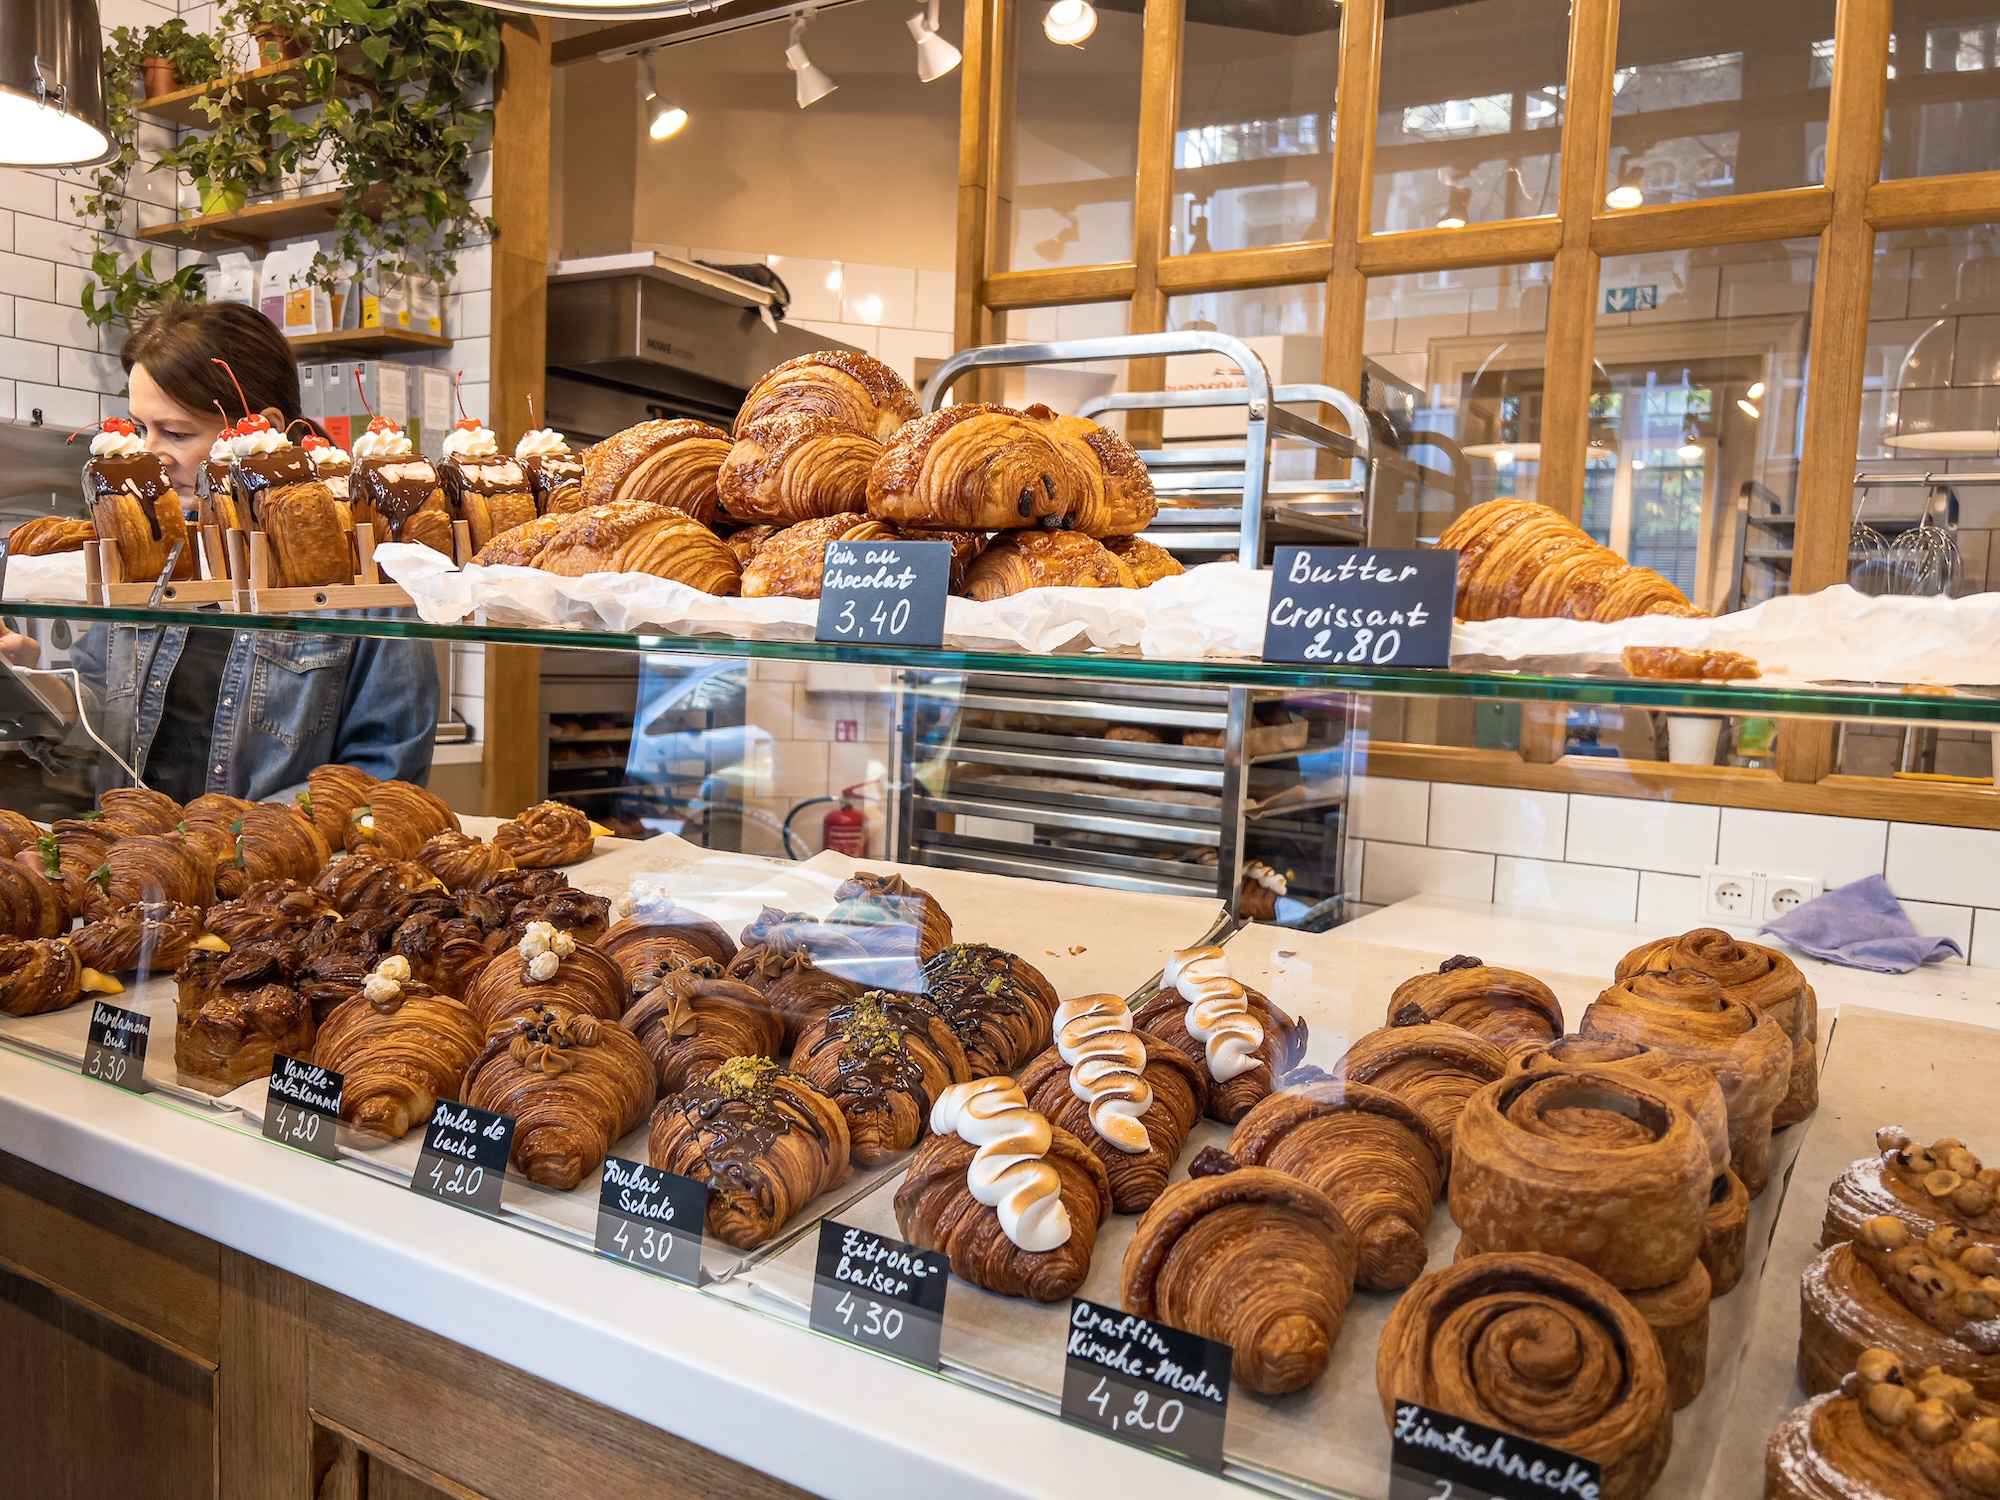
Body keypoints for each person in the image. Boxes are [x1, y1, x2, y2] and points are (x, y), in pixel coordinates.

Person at [0, 302, 439, 801]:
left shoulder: (367, 576)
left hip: (263, 854)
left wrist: (239, 837)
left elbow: (386, 770)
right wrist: (31, 686)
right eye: (141, 429)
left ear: (259, 429)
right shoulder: (148, 554)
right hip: (133, 846)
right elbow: (101, 725)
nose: (150, 454)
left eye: (177, 433)